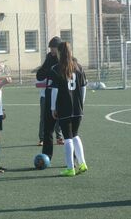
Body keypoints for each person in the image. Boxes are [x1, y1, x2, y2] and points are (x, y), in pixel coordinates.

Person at [50, 42, 88, 177]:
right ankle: (82, 164)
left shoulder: (56, 69)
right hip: (77, 108)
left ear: (60, 53)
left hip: (64, 107)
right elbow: (84, 87)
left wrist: (53, 107)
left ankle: (70, 168)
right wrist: (81, 103)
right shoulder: (79, 67)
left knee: (68, 138)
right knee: (75, 134)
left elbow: (54, 90)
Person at [36, 36, 64, 158]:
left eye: (53, 48)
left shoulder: (67, 60)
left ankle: (73, 159)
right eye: (50, 48)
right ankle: (46, 155)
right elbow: (40, 75)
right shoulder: (49, 58)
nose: (51, 50)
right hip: (49, 95)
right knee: (47, 126)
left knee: (68, 130)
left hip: (63, 97)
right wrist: (50, 70)